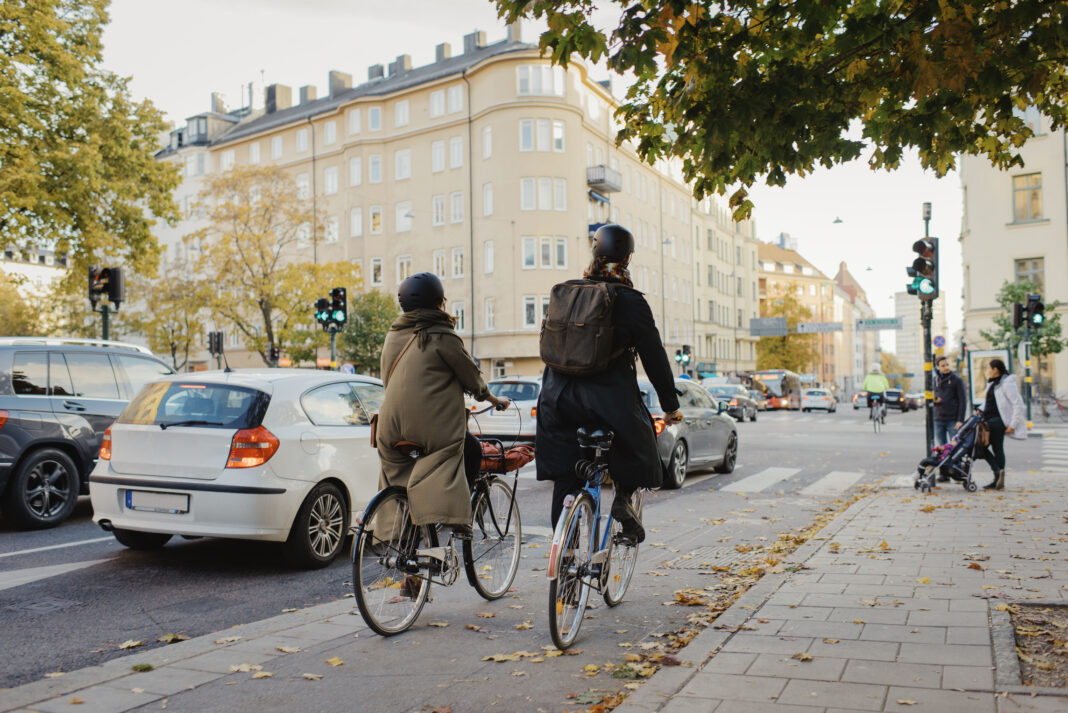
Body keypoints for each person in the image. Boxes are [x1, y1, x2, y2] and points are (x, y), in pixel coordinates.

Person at [536, 224, 684, 543]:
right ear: (627, 259)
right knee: (640, 439)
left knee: (566, 475)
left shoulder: (566, 293)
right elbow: (654, 357)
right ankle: (623, 499)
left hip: (555, 399)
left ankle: (564, 552)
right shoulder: (630, 300)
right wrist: (670, 407)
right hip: (606, 401)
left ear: (594, 254)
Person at [376, 272, 510, 539]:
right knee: (470, 449)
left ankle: (401, 540)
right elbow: (472, 379)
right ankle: (457, 518)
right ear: (438, 301)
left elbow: (386, 378)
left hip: (388, 427)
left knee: (398, 473)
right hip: (430, 427)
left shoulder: (393, 334)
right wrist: (494, 400)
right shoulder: (442, 334)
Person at [979, 358, 1026, 490]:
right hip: (988, 420)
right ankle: (998, 476)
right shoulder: (993, 383)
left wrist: (1013, 425)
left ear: (995, 370)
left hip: (997, 421)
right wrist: (979, 409)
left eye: (988, 368)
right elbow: (991, 402)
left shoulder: (1006, 384)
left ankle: (998, 475)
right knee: (984, 447)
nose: (987, 371)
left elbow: (1018, 404)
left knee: (991, 447)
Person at [933, 356, 967, 447]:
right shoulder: (934, 380)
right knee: (942, 447)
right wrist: (934, 400)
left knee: (955, 447)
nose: (946, 367)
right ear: (937, 367)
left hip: (953, 420)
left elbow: (963, 401)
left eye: (947, 365)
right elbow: (931, 397)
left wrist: (960, 420)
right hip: (938, 419)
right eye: (943, 366)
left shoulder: (957, 380)